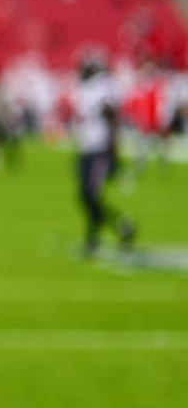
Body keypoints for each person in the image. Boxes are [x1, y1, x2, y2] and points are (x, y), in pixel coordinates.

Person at [70, 50, 135, 257]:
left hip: (100, 149)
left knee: (90, 194)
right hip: (88, 148)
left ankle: (103, 235)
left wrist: (113, 146)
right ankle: (111, 231)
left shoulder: (102, 85)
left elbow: (111, 112)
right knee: (87, 196)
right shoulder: (89, 87)